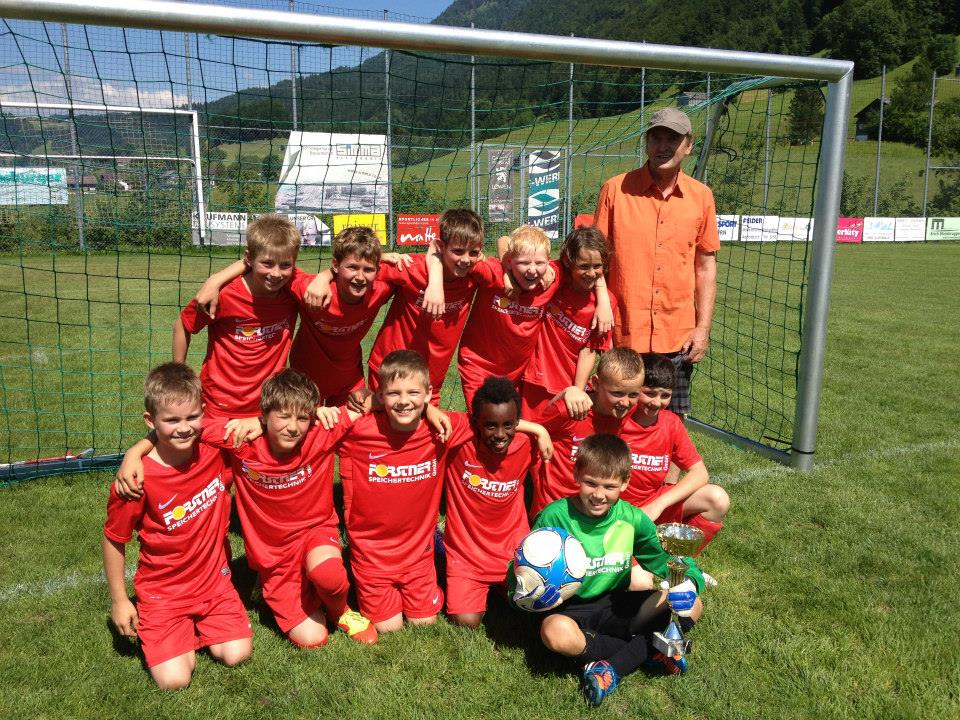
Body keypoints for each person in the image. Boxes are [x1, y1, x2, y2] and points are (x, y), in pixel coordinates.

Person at [115, 368, 395, 648]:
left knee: (329, 575)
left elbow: (372, 402)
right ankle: (277, 586)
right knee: (313, 639)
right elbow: (185, 424)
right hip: (274, 553)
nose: (293, 427)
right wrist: (136, 450)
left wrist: (354, 401)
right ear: (264, 415)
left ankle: (341, 610)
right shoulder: (241, 438)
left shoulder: (322, 431)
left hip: (315, 532)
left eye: (302, 418)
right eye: (283, 416)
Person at [515, 433, 706, 707]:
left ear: (625, 483)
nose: (599, 494)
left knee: (693, 604)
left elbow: (670, 561)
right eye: (591, 483)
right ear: (576, 474)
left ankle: (611, 664)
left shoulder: (631, 518)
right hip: (570, 609)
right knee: (554, 634)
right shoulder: (554, 516)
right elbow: (524, 568)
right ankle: (647, 653)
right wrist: (527, 594)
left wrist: (689, 583)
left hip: (616, 605)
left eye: (610, 486)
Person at [103, 363, 252, 689]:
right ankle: (176, 631)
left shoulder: (216, 450)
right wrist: (119, 600)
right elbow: (115, 538)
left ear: (204, 413)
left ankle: (201, 626)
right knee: (175, 680)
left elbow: (263, 425)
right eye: (171, 420)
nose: (184, 428)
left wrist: (136, 446)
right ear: (150, 421)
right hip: (164, 594)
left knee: (237, 654)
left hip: (214, 584)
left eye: (192, 417)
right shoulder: (135, 480)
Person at [190, 226, 409, 407]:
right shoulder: (310, 290)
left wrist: (382, 257)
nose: (360, 277)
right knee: (305, 437)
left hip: (349, 380)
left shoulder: (381, 288)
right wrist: (216, 280)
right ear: (336, 265)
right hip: (304, 381)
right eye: (352, 267)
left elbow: (411, 270)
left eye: (368, 270)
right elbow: (268, 259)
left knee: (352, 433)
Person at [335, 350, 474, 633]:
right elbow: (310, 424)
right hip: (372, 554)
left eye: (413, 393)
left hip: (417, 553)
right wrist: (365, 401)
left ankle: (434, 546)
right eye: (393, 393)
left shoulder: (440, 428)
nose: (403, 401)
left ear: (428, 394)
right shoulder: (359, 429)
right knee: (389, 628)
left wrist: (537, 430)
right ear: (380, 395)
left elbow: (487, 421)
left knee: (425, 622)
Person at [593, 107, 719, 417]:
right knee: (617, 421)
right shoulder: (615, 189)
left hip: (677, 336)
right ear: (646, 143)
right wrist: (601, 304)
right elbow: (596, 260)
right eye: (656, 138)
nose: (663, 147)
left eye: (672, 140)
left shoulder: (701, 197)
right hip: (623, 331)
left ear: (688, 146)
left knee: (669, 425)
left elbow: (705, 268)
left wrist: (702, 328)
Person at [442, 376, 551, 628]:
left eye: (508, 425)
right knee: (466, 621)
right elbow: (424, 415)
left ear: (517, 423)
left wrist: (539, 430)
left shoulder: (527, 444)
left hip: (513, 551)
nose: (500, 435)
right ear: (476, 423)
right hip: (466, 555)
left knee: (536, 610)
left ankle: (505, 586)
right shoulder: (459, 442)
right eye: (490, 426)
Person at [173, 213, 302, 420]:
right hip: (219, 404)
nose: (276, 273)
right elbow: (184, 324)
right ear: (249, 258)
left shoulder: (293, 292)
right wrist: (178, 375)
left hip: (269, 404)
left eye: (285, 265)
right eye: (267, 263)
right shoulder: (225, 294)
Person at [619, 353, 729, 553]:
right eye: (649, 393)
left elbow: (699, 473)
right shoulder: (618, 419)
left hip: (653, 502)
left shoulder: (670, 423)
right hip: (616, 507)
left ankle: (677, 560)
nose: (656, 402)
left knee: (717, 498)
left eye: (665, 395)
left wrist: (659, 504)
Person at [531, 348, 645, 517]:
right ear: (596, 383)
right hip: (556, 509)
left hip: (598, 507)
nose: (625, 402)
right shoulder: (569, 410)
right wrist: (539, 429)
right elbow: (522, 430)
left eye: (633, 394)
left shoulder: (628, 410)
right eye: (617, 393)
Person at [521, 226, 617, 422]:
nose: (591, 273)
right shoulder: (555, 279)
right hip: (533, 378)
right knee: (530, 432)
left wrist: (578, 389)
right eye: (583, 266)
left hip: (568, 385)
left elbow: (590, 349)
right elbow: (508, 245)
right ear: (567, 261)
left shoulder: (606, 305)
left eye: (597, 266)